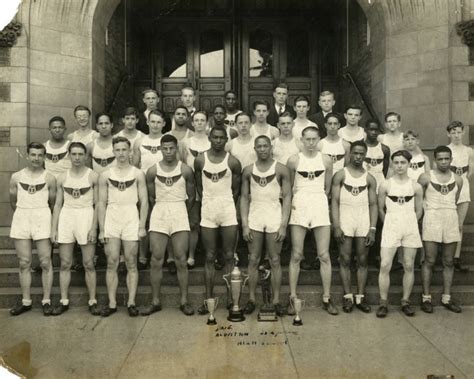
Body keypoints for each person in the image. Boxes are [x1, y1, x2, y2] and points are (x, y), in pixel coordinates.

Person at [141, 134, 196, 316]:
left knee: (181, 259)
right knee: (156, 259)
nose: (169, 152)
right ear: (160, 149)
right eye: (165, 148)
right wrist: (161, 211)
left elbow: (191, 197)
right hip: (160, 211)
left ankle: (184, 301)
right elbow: (150, 197)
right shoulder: (152, 171)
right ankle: (155, 301)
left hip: (179, 210)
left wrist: (181, 211)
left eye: (172, 148)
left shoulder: (186, 170)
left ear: (176, 148)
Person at [286, 126, 338, 315]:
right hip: (300, 203)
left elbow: (327, 187)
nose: (310, 143)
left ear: (318, 139)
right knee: (296, 254)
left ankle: (327, 297)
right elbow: (290, 187)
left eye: (314, 139)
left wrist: (319, 201)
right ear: (301, 140)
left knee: (324, 255)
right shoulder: (293, 160)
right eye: (307, 139)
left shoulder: (326, 160)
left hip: (319, 203)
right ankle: (292, 298)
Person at [97, 136, 148, 317]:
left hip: (130, 216)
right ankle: (112, 303)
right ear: (113, 151)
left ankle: (131, 302)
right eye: (117, 150)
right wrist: (102, 228)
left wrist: (142, 226)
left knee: (131, 262)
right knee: (111, 262)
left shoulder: (137, 173)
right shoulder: (105, 175)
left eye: (124, 150)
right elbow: (101, 203)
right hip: (112, 216)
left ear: (130, 152)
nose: (121, 153)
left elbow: (144, 201)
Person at [240, 135, 291, 316]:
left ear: (271, 148)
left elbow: (286, 198)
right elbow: (245, 198)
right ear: (254, 148)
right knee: (253, 259)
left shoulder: (281, 169)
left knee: (275, 259)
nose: (262, 149)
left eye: (265, 146)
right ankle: (252, 299)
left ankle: (276, 300)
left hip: (274, 215)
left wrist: (283, 225)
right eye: (259, 146)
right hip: (255, 215)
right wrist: (245, 225)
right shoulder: (248, 170)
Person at [194, 126, 242, 314]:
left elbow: (236, 190)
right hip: (208, 209)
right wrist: (208, 202)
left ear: (226, 140)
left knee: (229, 255)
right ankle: (209, 299)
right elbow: (199, 185)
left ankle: (233, 299)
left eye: (222, 137)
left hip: (227, 208)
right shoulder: (200, 159)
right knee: (209, 256)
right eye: (215, 137)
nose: (218, 141)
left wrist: (226, 203)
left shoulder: (233, 162)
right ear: (210, 138)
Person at [51, 142, 100, 315]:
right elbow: (57, 205)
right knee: (65, 263)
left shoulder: (93, 176)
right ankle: (63, 301)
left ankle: (92, 301)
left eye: (81, 154)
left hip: (85, 216)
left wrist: (94, 228)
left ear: (86, 156)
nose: (77, 158)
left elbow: (98, 204)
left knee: (88, 263)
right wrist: (54, 229)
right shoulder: (62, 177)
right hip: (67, 217)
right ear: (69, 155)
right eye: (74, 154)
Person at [9, 142, 56, 316]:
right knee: (24, 262)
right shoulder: (16, 177)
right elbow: (13, 202)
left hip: (42, 217)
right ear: (27, 155)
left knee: (45, 262)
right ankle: (26, 301)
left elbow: (52, 203)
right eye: (33, 155)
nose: (36, 158)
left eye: (40, 155)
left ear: (44, 157)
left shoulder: (49, 178)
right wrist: (25, 213)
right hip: (22, 217)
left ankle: (46, 301)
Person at [331, 141, 378, 313]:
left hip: (363, 219)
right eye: (355, 153)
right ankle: (347, 296)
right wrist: (336, 225)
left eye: (361, 154)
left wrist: (372, 228)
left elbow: (373, 205)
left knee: (363, 259)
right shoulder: (340, 175)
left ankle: (360, 296)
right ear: (350, 153)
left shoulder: (370, 178)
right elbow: (334, 202)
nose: (358, 157)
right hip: (345, 217)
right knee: (344, 258)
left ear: (365, 155)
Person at [376, 150, 423, 318]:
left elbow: (419, 211)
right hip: (391, 224)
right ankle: (383, 303)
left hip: (409, 225)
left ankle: (405, 301)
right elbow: (380, 209)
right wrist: (389, 221)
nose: (399, 166)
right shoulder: (386, 185)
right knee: (385, 264)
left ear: (408, 164)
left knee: (409, 265)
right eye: (396, 163)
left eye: (403, 162)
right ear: (392, 164)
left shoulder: (415, 186)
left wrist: (409, 221)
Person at [418, 145, 463, 313]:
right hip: (432, 217)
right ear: (435, 160)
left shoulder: (458, 179)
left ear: (451, 159)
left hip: (450, 218)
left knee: (449, 261)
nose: (444, 162)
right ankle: (426, 297)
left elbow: (455, 200)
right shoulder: (425, 177)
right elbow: (418, 199)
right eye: (440, 159)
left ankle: (446, 297)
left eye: (447, 158)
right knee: (429, 260)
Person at [132, 110, 166, 269]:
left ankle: (168, 256)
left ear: (164, 124)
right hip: (144, 184)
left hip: (163, 185)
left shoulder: (167, 141)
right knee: (144, 219)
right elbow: (135, 166)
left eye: (159, 122)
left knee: (163, 219)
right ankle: (143, 256)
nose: (155, 125)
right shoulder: (139, 141)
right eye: (153, 121)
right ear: (147, 122)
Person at [180, 111, 211, 269]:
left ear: (207, 123)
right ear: (192, 123)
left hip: (208, 185)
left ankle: (210, 255)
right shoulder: (186, 142)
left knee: (208, 222)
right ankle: (190, 256)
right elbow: (182, 163)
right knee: (192, 222)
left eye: (202, 120)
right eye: (196, 120)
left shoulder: (211, 141)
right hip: (190, 185)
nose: (199, 123)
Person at [446, 121, 474, 272]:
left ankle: (456, 257)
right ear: (448, 134)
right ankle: (446, 257)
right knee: (448, 222)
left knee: (459, 225)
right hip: (448, 187)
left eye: (458, 132)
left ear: (463, 133)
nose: (456, 135)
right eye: (453, 132)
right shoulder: (446, 150)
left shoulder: (469, 151)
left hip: (463, 187)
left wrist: (462, 181)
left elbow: (471, 171)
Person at [364, 119, 390, 193]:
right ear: (366, 130)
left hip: (379, 181)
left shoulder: (384, 149)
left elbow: (385, 169)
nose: (374, 132)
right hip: (364, 180)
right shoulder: (361, 147)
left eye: (376, 130)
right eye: (371, 130)